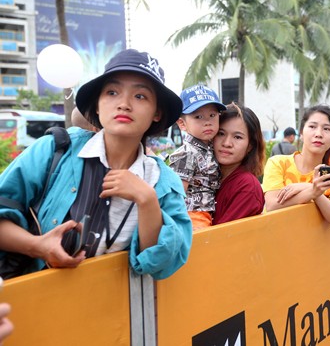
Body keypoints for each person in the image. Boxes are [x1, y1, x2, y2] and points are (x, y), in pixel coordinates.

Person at [0, 49, 191, 280]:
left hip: (117, 312)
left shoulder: (162, 181)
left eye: (140, 96)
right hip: (37, 306)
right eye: (112, 92)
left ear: (157, 113)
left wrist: (147, 200)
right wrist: (37, 246)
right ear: (98, 105)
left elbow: (164, 264)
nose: (124, 104)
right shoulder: (54, 150)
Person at [263, 105, 330, 228]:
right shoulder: (278, 163)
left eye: (326, 129)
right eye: (312, 126)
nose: (319, 134)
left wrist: (313, 191)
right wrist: (313, 190)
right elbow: (272, 205)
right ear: (301, 133)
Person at [168, 84, 226, 230]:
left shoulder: (211, 147)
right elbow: (177, 195)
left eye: (212, 115)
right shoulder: (186, 153)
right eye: (198, 116)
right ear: (182, 123)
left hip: (208, 213)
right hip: (193, 216)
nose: (207, 122)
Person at [212, 103, 265, 225]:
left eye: (237, 137)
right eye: (221, 133)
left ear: (250, 146)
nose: (227, 143)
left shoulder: (247, 186)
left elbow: (224, 239)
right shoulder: (206, 178)